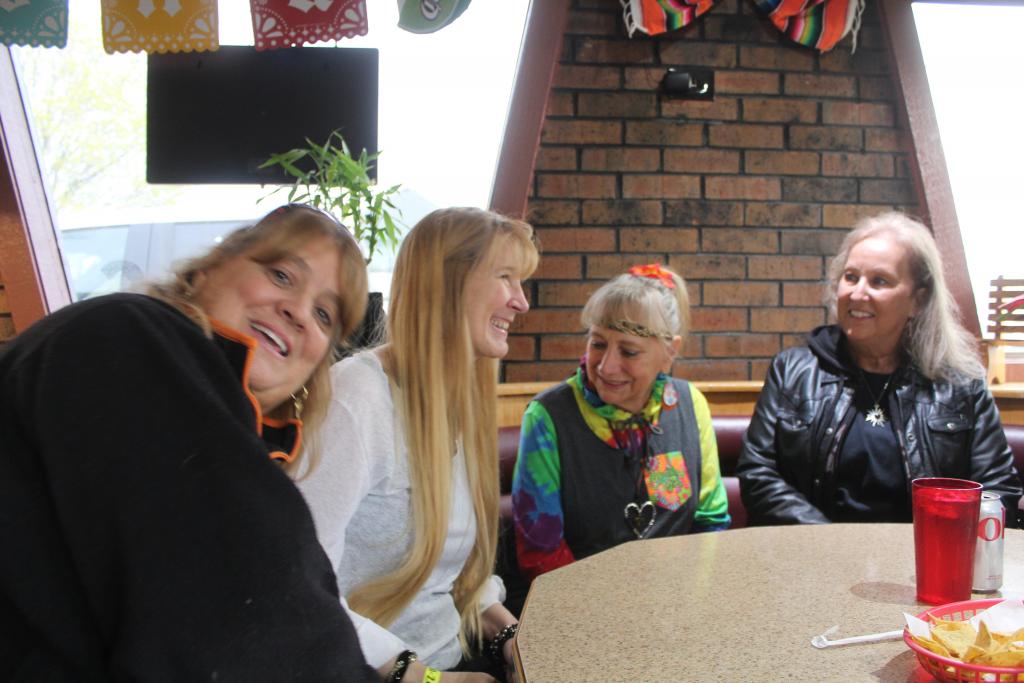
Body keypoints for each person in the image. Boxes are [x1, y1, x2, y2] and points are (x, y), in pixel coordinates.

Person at [0, 204, 380, 681]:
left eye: (325, 314)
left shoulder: (203, 402)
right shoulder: (132, 341)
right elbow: (253, 638)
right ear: (206, 270)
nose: (299, 311)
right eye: (281, 275)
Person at [296, 207, 539, 683]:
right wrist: (427, 679)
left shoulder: (458, 399)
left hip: (450, 657)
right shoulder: (358, 398)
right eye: (506, 278)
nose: (521, 302)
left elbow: (450, 580)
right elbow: (299, 583)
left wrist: (513, 638)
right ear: (448, 284)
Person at [737, 211, 1023, 525]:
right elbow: (758, 473)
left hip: (923, 553)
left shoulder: (961, 384)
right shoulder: (791, 371)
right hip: (814, 551)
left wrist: (935, 540)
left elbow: (997, 490)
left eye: (879, 281)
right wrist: (828, 542)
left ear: (917, 301)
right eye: (850, 277)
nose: (857, 293)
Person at [511, 264, 731, 582]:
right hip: (579, 600)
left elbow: (711, 521)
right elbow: (540, 554)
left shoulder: (690, 404)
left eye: (628, 351)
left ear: (670, 352)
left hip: (678, 597)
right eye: (598, 344)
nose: (607, 367)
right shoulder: (547, 417)